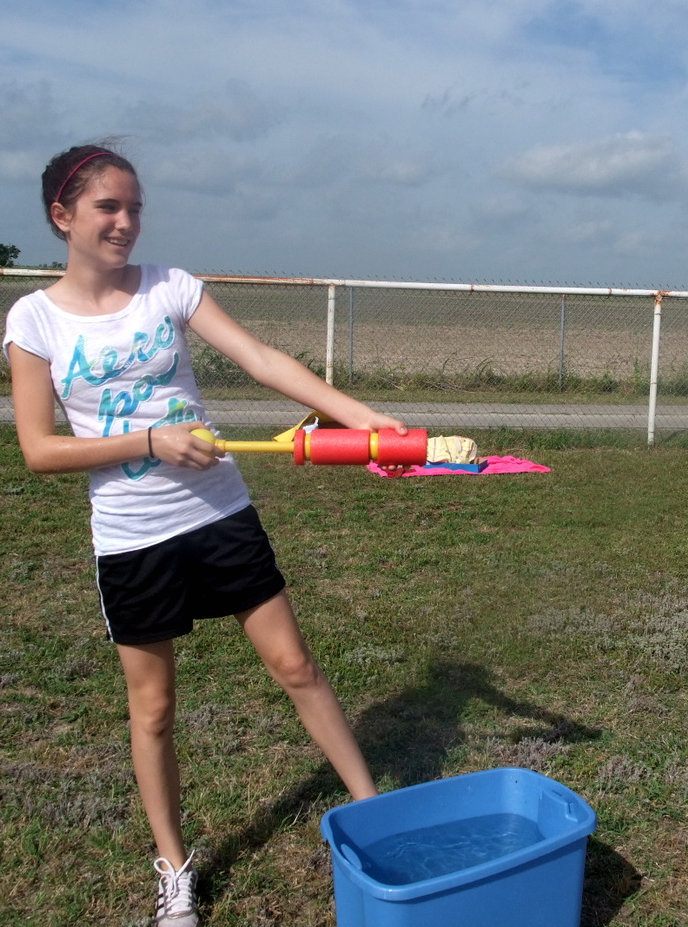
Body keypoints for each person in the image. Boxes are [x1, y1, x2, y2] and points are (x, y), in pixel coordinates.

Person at [2, 144, 407, 926]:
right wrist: (150, 442)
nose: (127, 222)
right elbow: (38, 449)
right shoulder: (35, 319)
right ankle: (175, 869)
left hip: (218, 512)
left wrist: (359, 417)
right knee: (152, 709)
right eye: (108, 208)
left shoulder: (169, 286)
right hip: (131, 536)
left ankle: (372, 809)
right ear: (63, 216)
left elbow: (259, 358)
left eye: (135, 207)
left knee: (296, 664)